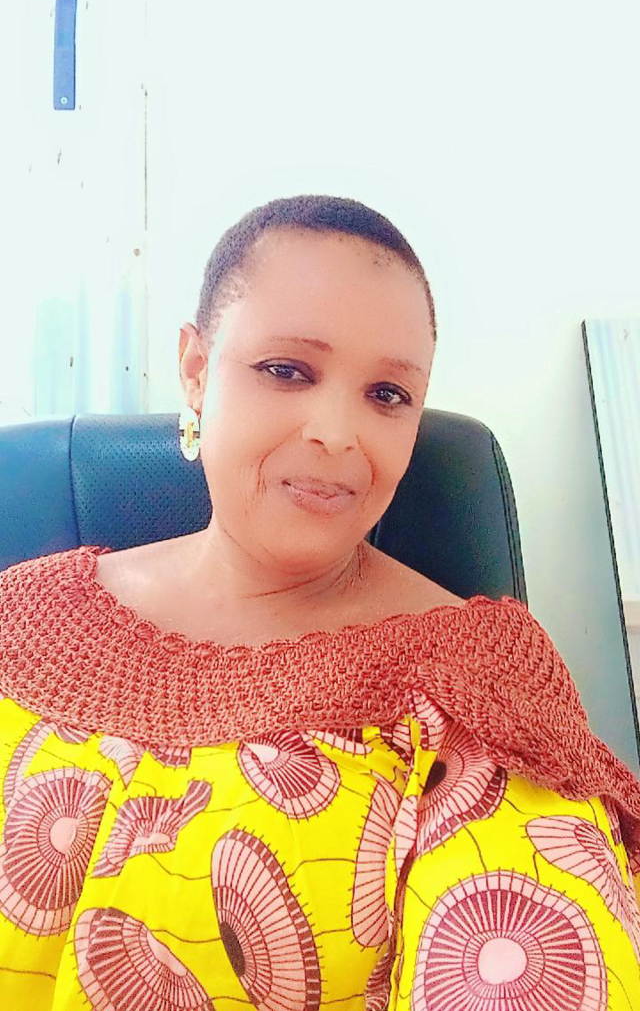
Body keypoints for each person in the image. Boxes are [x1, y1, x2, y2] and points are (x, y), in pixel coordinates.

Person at [0, 194, 639, 1010]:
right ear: (196, 370)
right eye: (287, 371)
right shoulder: (23, 616)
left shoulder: (477, 680)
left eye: (388, 394)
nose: (337, 433)